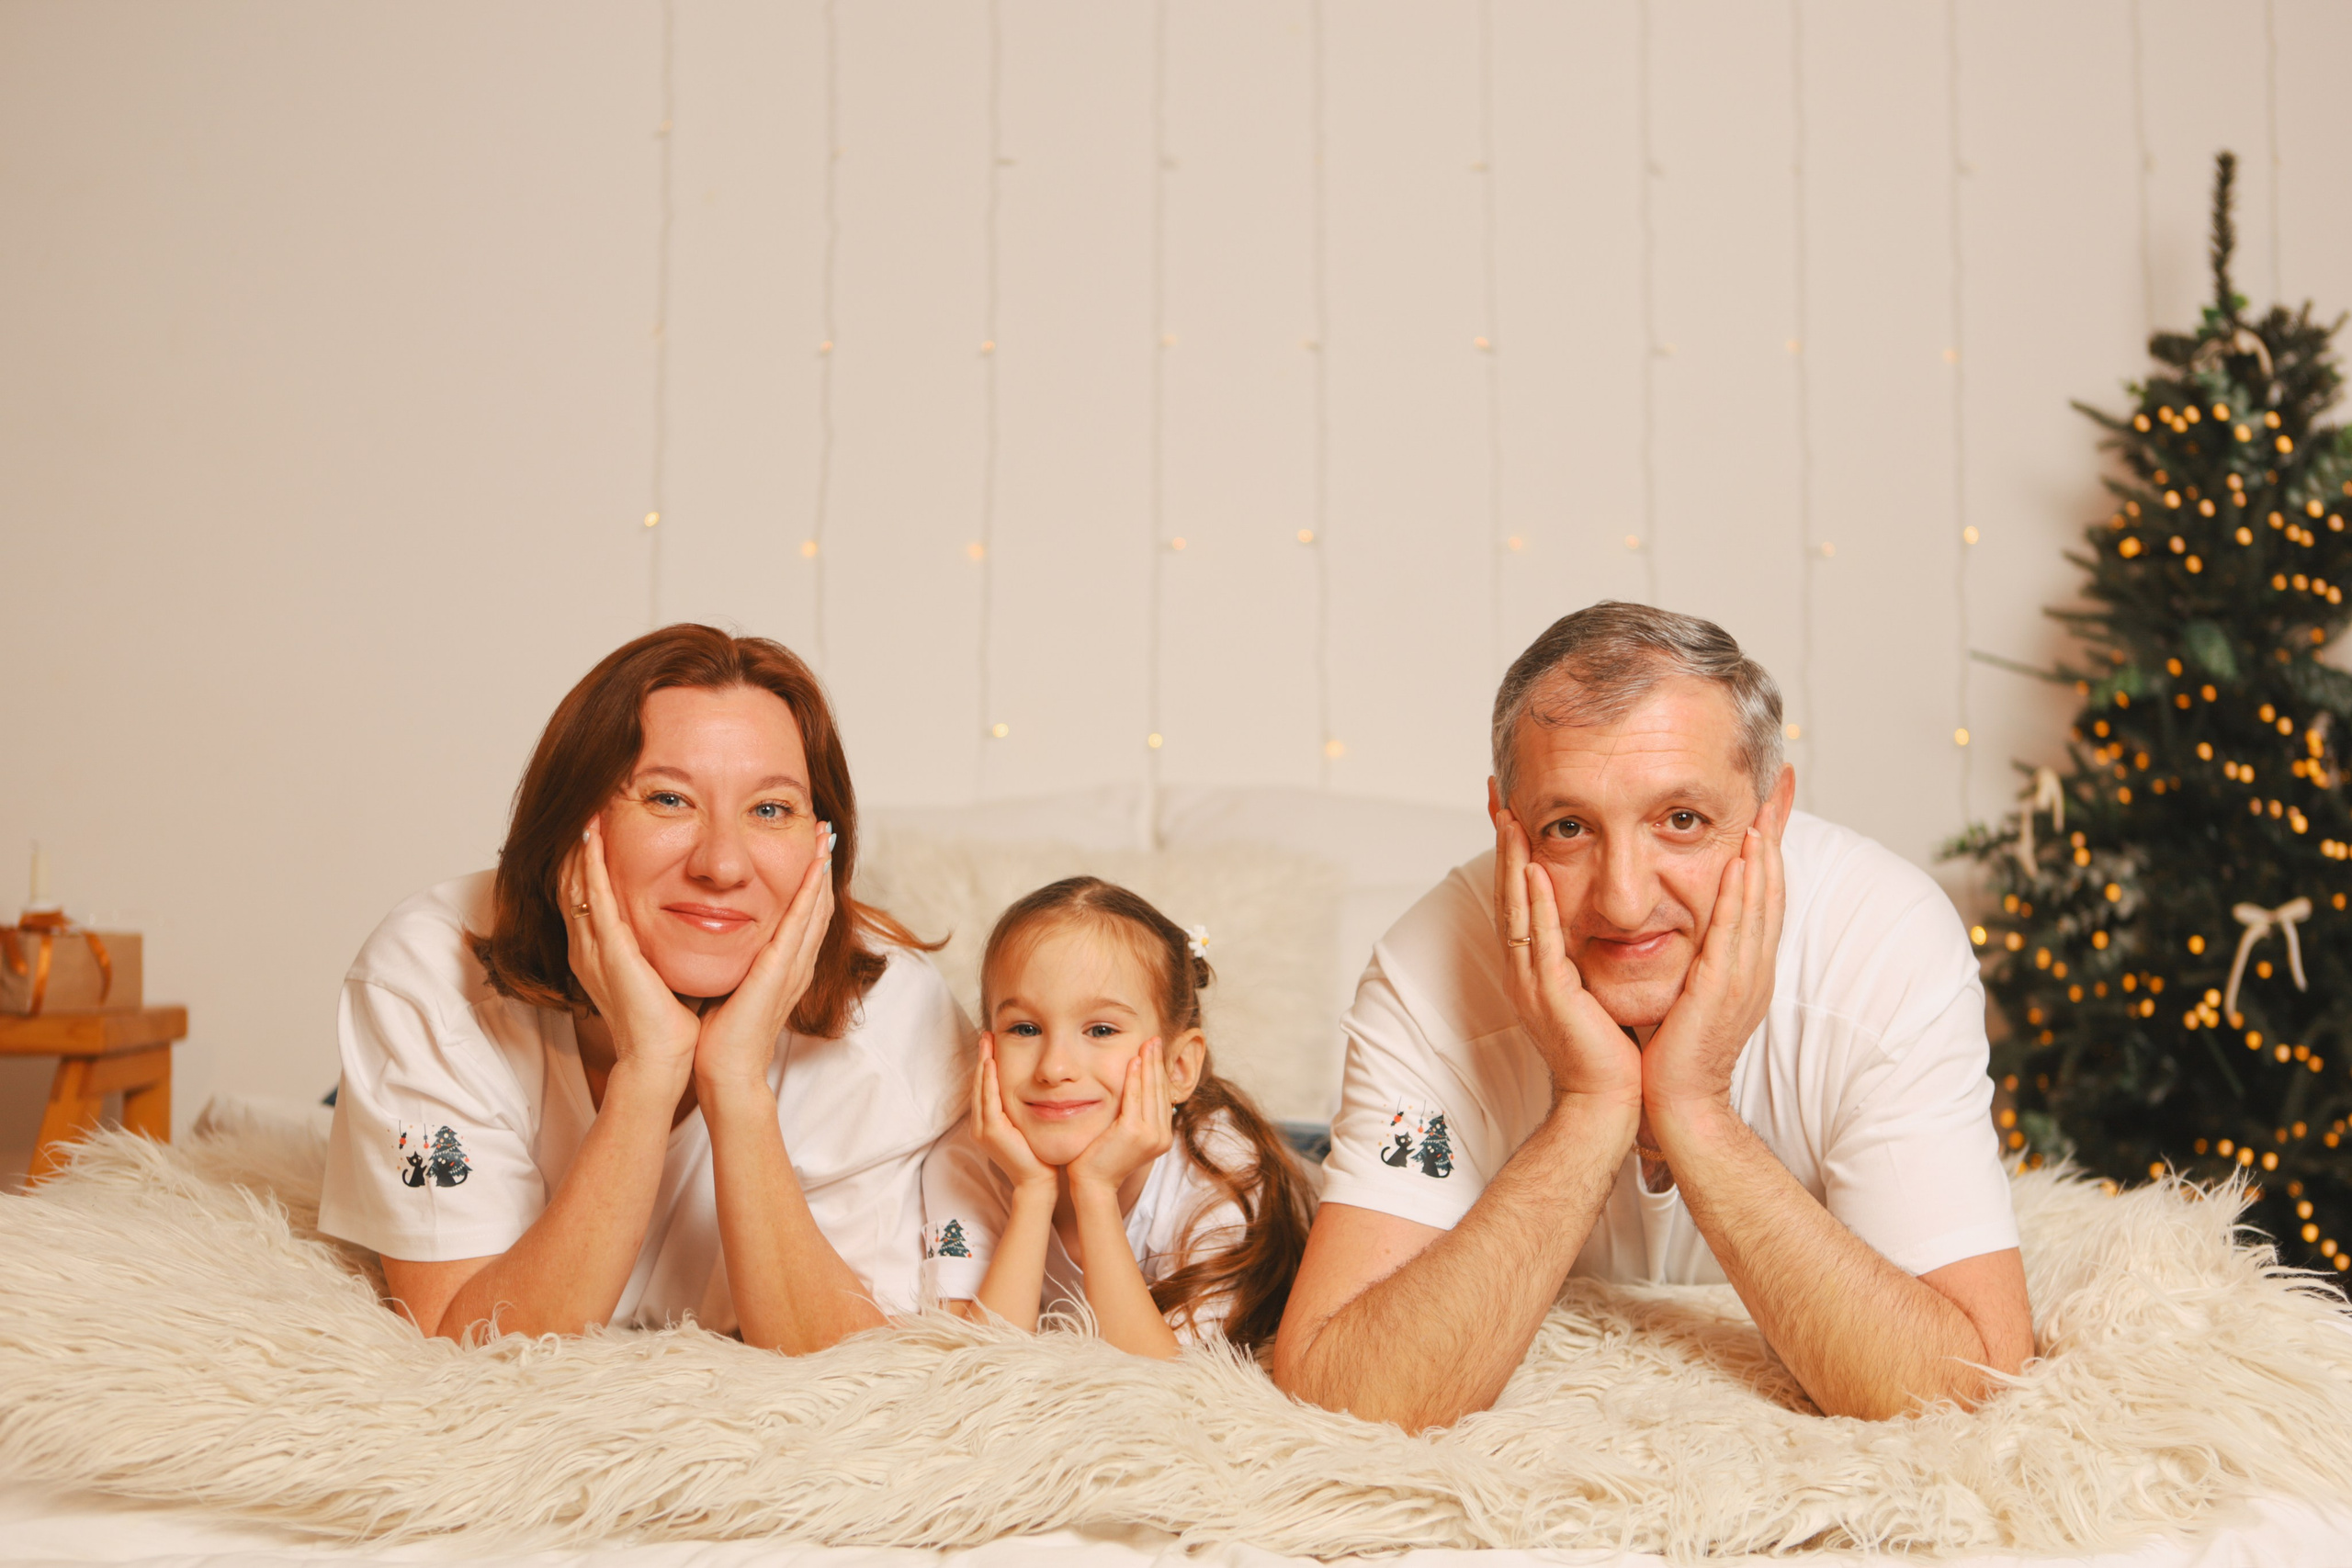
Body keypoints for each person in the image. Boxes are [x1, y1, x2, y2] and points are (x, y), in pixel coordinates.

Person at [1272, 602, 2034, 1428]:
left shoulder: (1886, 939)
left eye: (1681, 821)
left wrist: (1694, 1107)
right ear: (1507, 824)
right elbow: (1339, 1390)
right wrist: (1592, 1104)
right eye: (1569, 828)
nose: (1626, 901)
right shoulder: (1425, 970)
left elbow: (1975, 1385)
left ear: (1772, 813)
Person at [318, 626, 967, 1352]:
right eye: (668, 799)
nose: (722, 864)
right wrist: (649, 1070)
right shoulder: (426, 972)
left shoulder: (897, 1021)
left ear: (823, 844)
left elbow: (858, 1368)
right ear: (575, 823)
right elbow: (459, 1343)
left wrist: (736, 1084)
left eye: (770, 809)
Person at [920, 877, 1313, 1356]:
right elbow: (968, 1366)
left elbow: (1166, 1380)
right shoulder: (962, 1161)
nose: (1054, 1068)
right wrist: (1032, 1193)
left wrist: (1095, 1192)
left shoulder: (1221, 1173)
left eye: (1101, 1030)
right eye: (1024, 1028)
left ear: (1177, 1067)